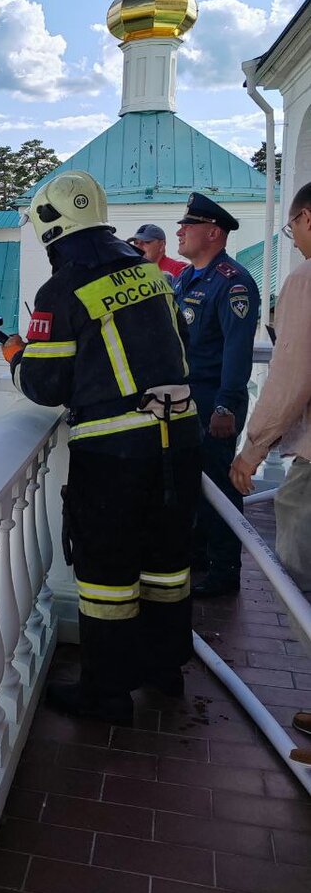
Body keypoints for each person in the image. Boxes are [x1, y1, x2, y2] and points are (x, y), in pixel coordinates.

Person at [6, 171, 202, 724]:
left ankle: (106, 694)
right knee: (167, 566)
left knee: (107, 577)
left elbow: (47, 387)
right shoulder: (151, 273)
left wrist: (17, 355)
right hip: (177, 443)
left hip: (114, 458)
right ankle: (166, 670)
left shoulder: (62, 289)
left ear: (52, 229)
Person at [174, 193, 260, 598]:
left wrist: (225, 405)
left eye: (187, 226)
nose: (179, 231)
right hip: (188, 398)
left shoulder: (234, 282)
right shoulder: (186, 279)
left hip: (214, 401)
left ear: (212, 232)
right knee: (191, 483)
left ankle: (225, 570)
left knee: (219, 486)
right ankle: (198, 554)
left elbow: (236, 350)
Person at [230, 181, 311, 593]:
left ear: (307, 218)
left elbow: (290, 378)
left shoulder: (306, 279)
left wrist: (252, 450)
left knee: (300, 583)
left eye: (292, 226)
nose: (294, 241)